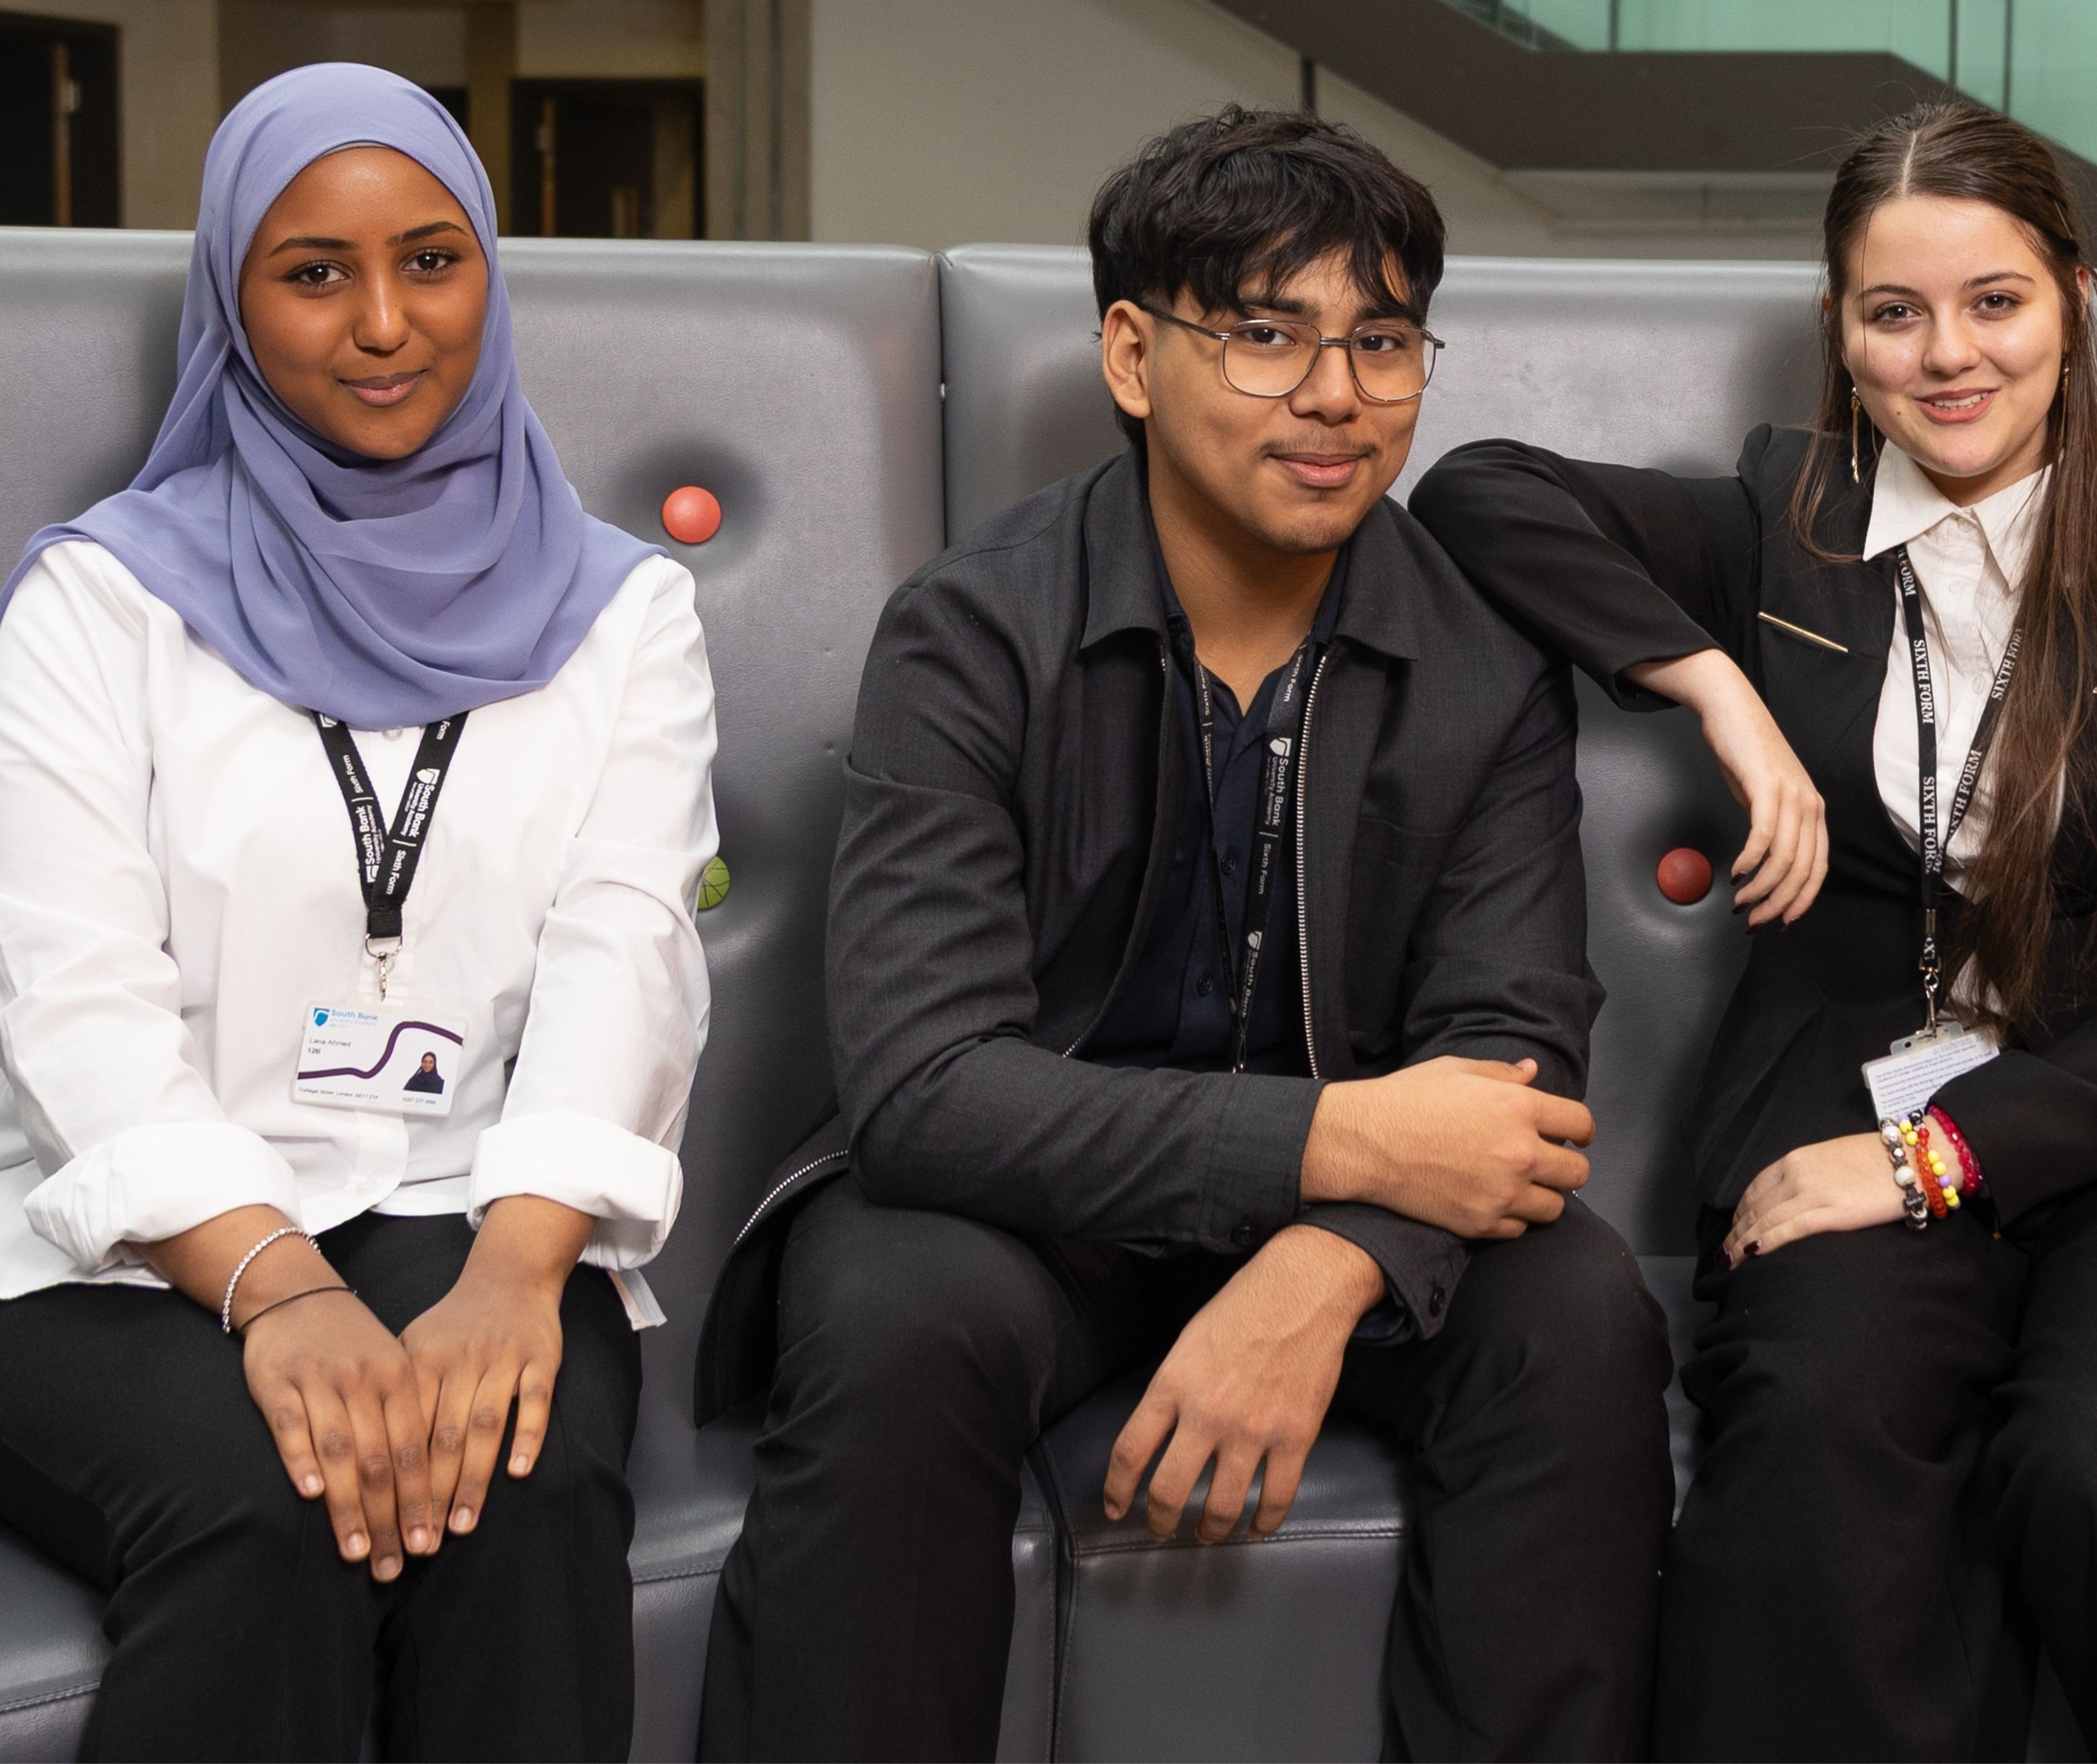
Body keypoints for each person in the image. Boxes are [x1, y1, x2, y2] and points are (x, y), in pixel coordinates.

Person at [695, 106, 1672, 1761]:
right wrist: (1338, 1140)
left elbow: (1510, 1062)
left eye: (1380, 339)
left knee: (1578, 1318)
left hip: (1355, 1214)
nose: (1338, 396)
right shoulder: (976, 627)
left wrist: (1326, 1255)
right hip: (1019, 1221)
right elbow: (928, 1092)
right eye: (1268, 336)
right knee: (891, 1311)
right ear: (1134, 357)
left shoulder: (1485, 658)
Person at [1407, 100, 2097, 1760]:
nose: (1949, 357)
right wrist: (1715, 686)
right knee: (1812, 1442)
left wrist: (1939, 1156)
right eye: (1893, 311)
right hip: (1836, 1112)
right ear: (1839, 333)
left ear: (2072, 302)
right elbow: (1478, 492)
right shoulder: (1771, 535)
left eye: (1994, 301)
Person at [0, 63, 716, 1760]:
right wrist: (273, 1281)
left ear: (490, 271)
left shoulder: (627, 610)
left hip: (475, 1201)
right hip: (107, 1251)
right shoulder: (100, 600)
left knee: (527, 1490)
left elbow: (624, 950)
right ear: (232, 300)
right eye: (313, 272)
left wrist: (515, 1273)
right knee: (274, 1514)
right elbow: (73, 997)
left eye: (431, 260)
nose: (384, 324)